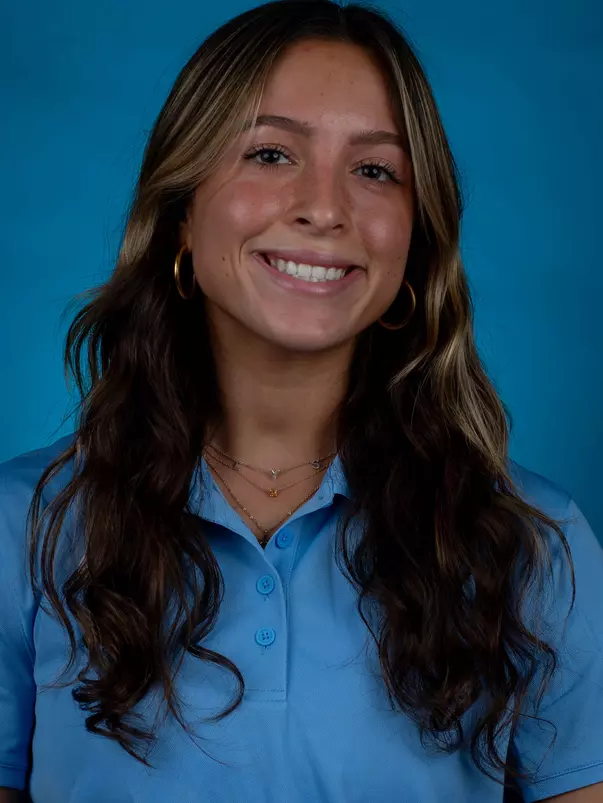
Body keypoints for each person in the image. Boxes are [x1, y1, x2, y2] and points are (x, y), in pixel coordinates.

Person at [0, 1, 602, 801]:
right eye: (272, 152)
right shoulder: (23, 530)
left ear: (414, 240)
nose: (324, 207)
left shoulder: (536, 543)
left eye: (375, 170)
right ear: (181, 214)